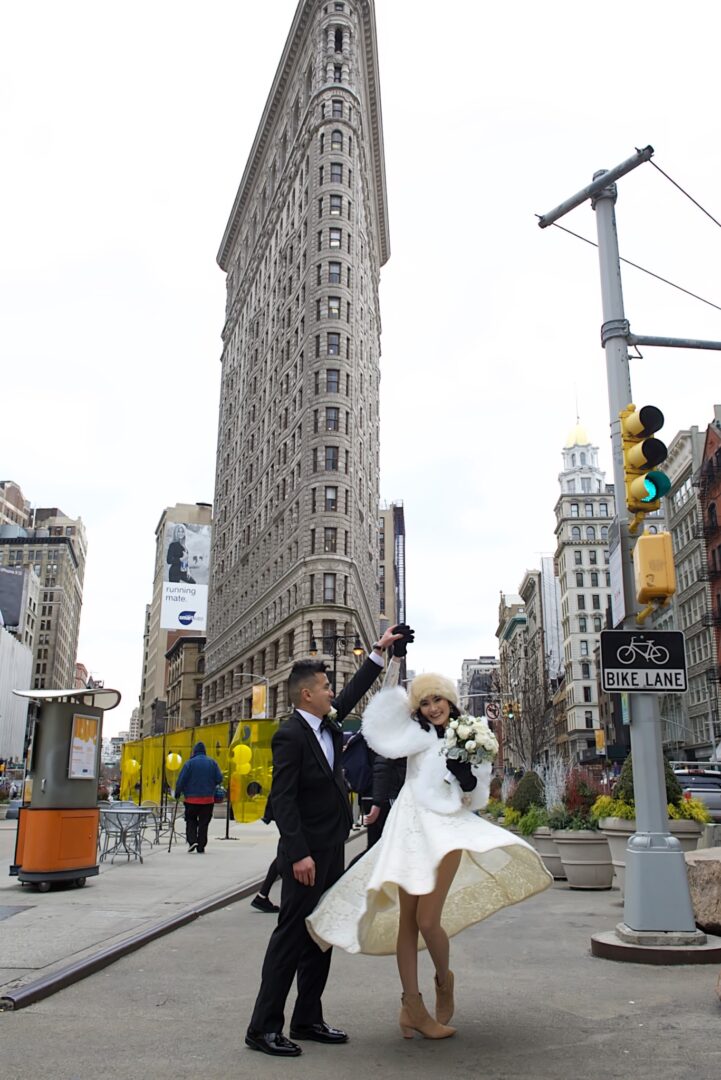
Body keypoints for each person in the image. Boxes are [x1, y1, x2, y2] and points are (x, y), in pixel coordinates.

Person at [306, 661, 553, 1041]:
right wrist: (387, 660)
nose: (432, 707)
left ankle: (443, 979)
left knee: (427, 920)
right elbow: (379, 731)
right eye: (424, 702)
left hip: (448, 827)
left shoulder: (472, 733)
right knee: (409, 920)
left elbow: (475, 794)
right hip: (409, 825)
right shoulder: (413, 734)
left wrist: (466, 775)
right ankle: (413, 1007)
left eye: (438, 699)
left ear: (450, 701)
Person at [245, 624, 412, 1058]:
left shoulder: (327, 723)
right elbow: (282, 800)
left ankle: (307, 1018)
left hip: (332, 846)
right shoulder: (291, 735)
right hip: (305, 854)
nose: (330, 691)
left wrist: (379, 654)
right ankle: (263, 1027)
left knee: (321, 934)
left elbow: (351, 696)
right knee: (290, 937)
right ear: (306, 696)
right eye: (324, 687)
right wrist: (297, 853)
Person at [174, 742, 222, 854]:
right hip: (208, 800)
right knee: (203, 823)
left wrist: (178, 792)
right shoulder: (212, 763)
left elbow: (181, 780)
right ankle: (201, 845)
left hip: (191, 800)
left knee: (191, 820)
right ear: (205, 751)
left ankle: (192, 841)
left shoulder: (189, 764)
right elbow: (219, 779)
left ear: (194, 752)